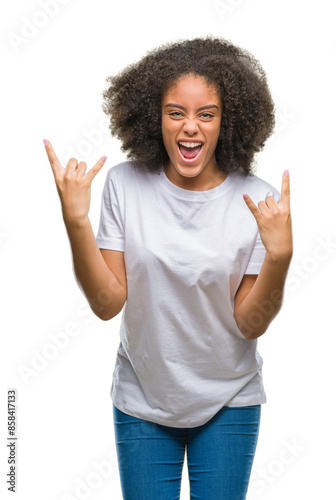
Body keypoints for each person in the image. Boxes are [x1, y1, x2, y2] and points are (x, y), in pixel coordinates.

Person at [44, 36, 293, 500]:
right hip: (142, 398)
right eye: (175, 112)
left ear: (228, 119)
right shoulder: (125, 184)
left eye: (206, 113)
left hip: (228, 399)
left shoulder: (257, 200)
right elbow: (106, 305)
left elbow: (249, 321)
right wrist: (76, 221)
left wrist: (280, 258)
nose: (190, 128)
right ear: (153, 117)